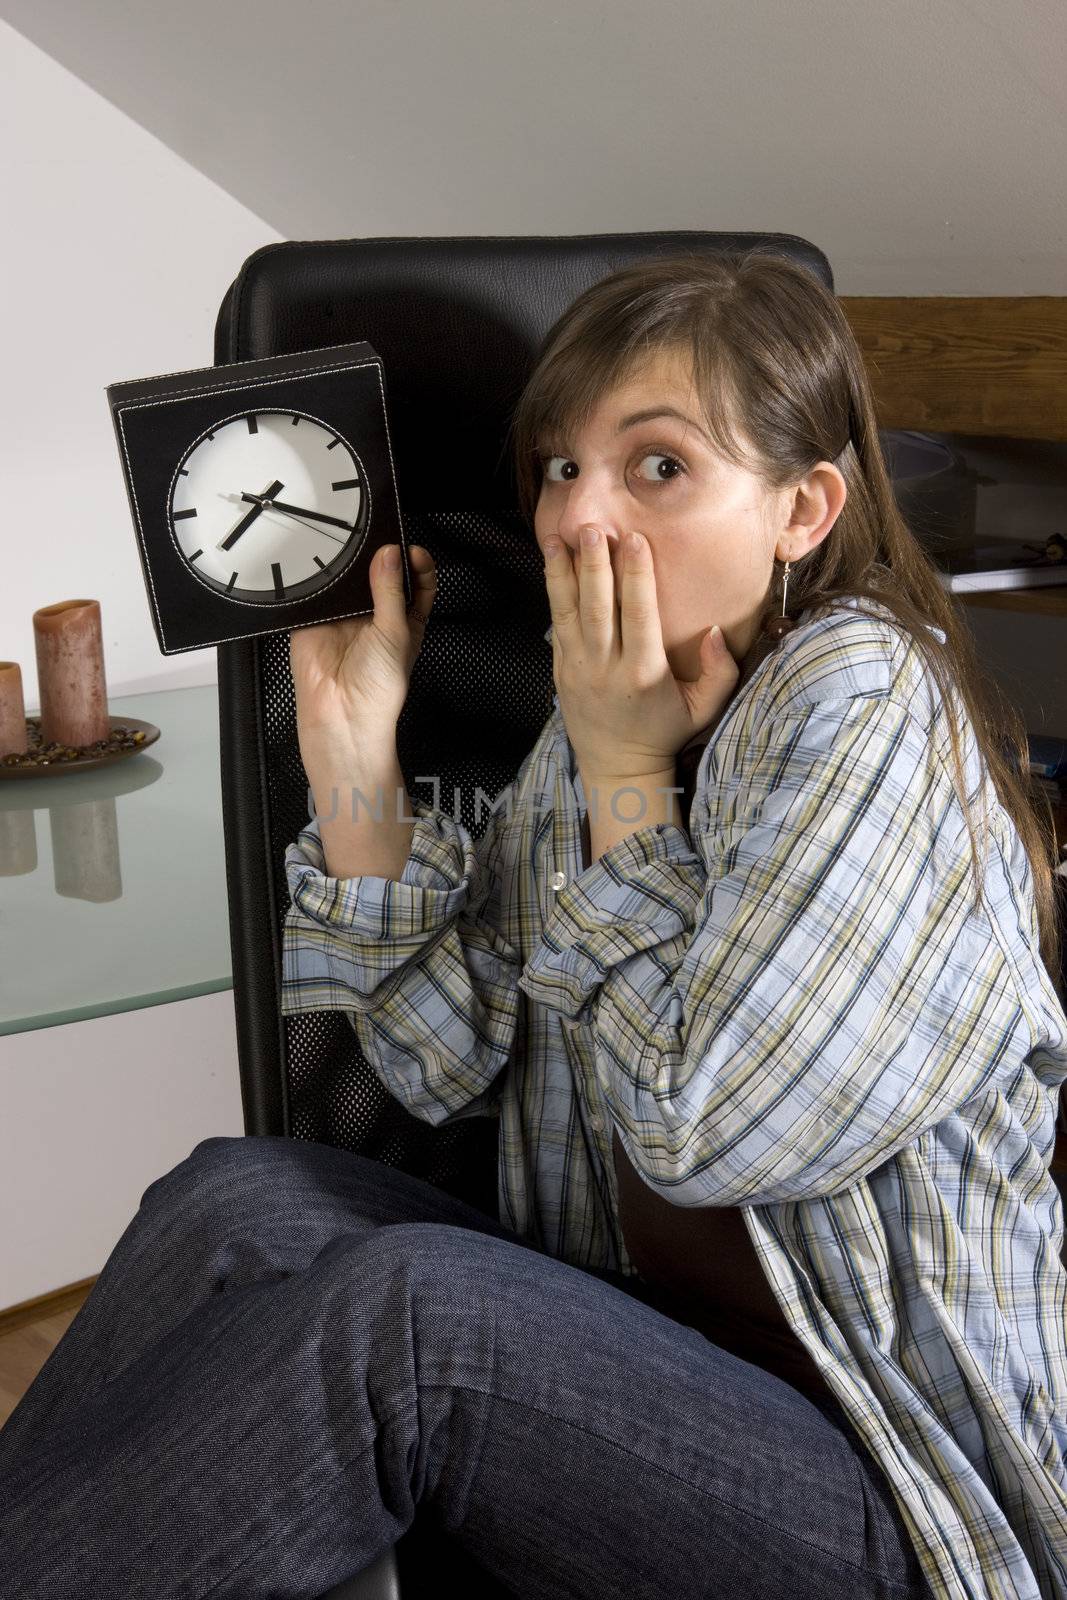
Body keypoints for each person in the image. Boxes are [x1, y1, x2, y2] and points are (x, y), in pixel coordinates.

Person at [1, 250, 1064, 1600]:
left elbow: (702, 1127)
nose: (579, 515)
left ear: (804, 509)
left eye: (657, 465)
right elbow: (447, 1063)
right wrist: (350, 756)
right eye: (561, 467)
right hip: (648, 1349)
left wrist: (627, 777)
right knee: (239, 1199)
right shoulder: (598, 724)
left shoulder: (861, 704)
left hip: (892, 1499)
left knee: (409, 1325)